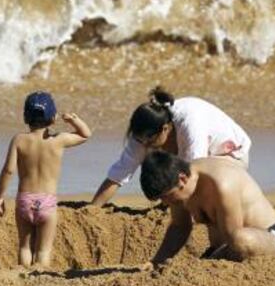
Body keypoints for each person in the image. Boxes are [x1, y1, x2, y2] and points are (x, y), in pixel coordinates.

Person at [92, 86, 251, 206]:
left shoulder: (190, 124)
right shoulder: (142, 134)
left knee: (199, 194)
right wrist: (92, 209)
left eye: (149, 142)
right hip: (187, 159)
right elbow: (118, 174)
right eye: (140, 141)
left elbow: (195, 172)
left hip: (229, 156)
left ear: (165, 129)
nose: (144, 146)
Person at [139, 150, 275, 267]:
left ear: (182, 179)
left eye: (166, 196)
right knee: (235, 243)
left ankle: (208, 261)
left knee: (240, 240)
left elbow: (232, 239)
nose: (165, 203)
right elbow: (180, 227)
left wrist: (204, 264)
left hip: (270, 238)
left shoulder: (222, 183)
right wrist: (156, 262)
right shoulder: (178, 190)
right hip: (220, 250)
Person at [0, 91, 91, 269]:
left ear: (25, 117)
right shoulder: (58, 140)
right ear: (53, 118)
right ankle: (40, 278)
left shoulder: (19, 140)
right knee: (43, 251)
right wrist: (73, 120)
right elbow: (85, 135)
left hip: (24, 201)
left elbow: (8, 170)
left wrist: (0, 197)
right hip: (47, 203)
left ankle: (21, 277)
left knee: (24, 247)